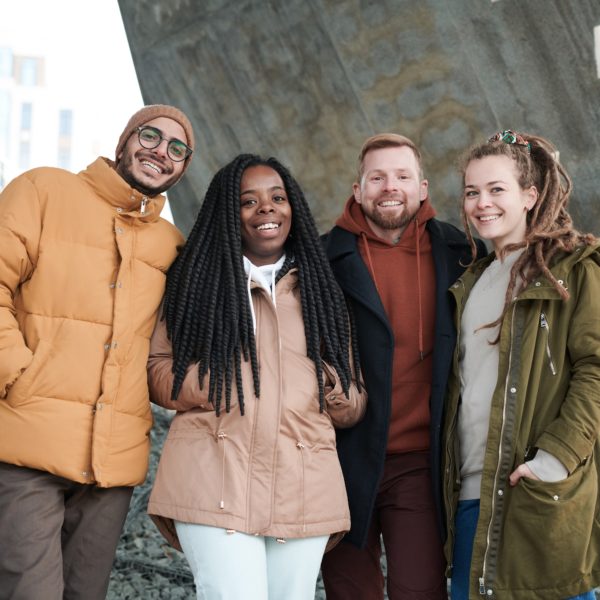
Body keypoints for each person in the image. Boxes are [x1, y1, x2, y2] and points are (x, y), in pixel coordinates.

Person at [146, 153, 367, 600]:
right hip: (213, 476)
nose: (266, 208)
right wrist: (218, 383)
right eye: (248, 201)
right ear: (229, 215)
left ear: (293, 208)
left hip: (303, 481)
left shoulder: (321, 291)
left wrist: (325, 387)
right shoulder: (196, 283)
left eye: (277, 197)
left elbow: (354, 401)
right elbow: (158, 372)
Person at [0, 104, 195, 600]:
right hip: (28, 449)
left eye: (177, 148)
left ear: (182, 168)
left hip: (111, 470)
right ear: (125, 139)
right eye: (151, 136)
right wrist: (16, 377)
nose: (160, 152)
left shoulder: (171, 245)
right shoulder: (44, 190)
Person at [321, 133, 486, 599]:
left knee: (421, 590)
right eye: (376, 177)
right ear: (358, 189)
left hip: (418, 462)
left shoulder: (462, 255)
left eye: (401, 176)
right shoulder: (320, 259)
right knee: (351, 592)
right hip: (339, 458)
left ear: (423, 187)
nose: (388, 186)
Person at [443, 130, 600, 599]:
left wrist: (553, 460)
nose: (482, 203)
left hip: (535, 493)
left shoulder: (573, 269)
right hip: (472, 497)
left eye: (497, 190)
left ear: (530, 195)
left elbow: (596, 369)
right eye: (472, 192)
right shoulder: (469, 283)